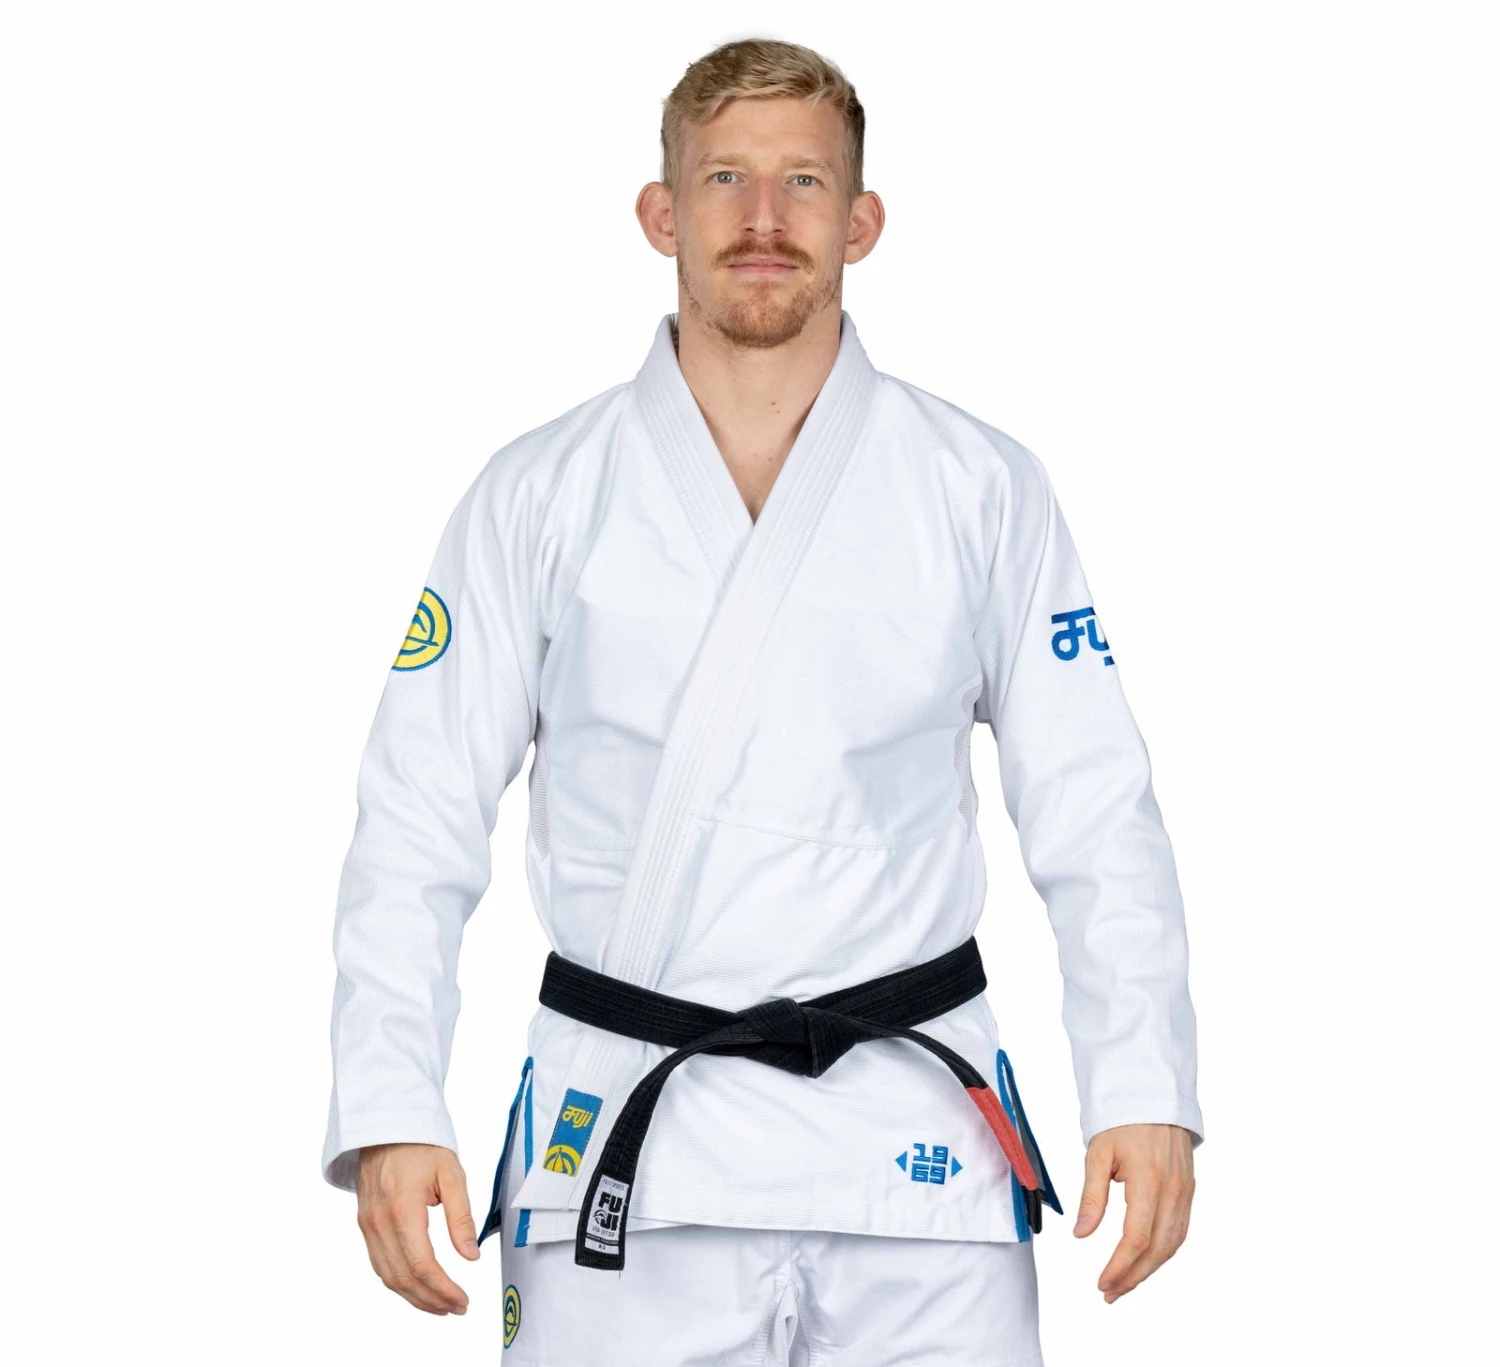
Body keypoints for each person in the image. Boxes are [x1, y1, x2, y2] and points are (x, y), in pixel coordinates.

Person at [323, 37, 1202, 1366]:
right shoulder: (537, 493)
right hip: (628, 1138)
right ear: (660, 213)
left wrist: (1143, 1081)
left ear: (863, 221)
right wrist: (390, 1101)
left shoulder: (979, 486)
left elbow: (1095, 802)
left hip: (914, 1149)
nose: (764, 217)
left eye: (804, 181)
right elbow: (416, 810)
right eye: (724, 177)